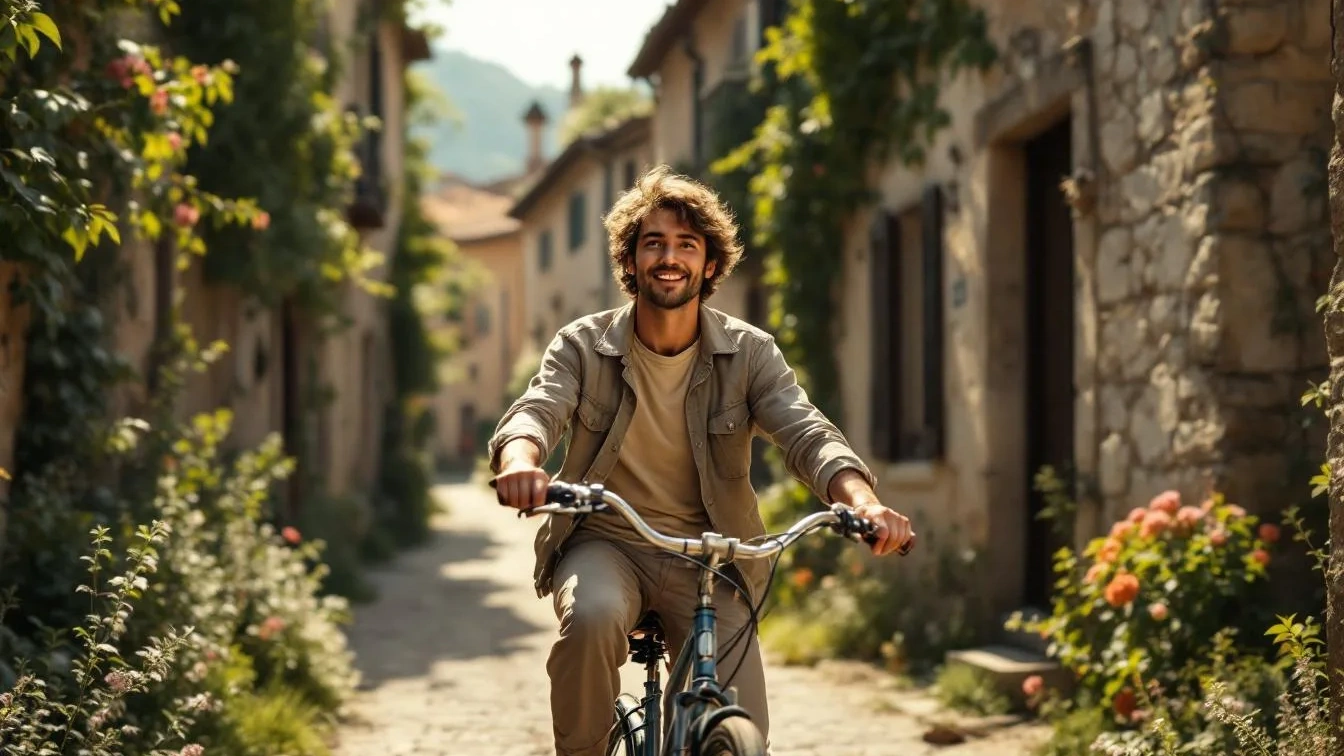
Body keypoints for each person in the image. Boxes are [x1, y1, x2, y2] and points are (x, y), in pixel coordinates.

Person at [488, 165, 915, 756]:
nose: (670, 257)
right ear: (631, 260)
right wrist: (520, 461)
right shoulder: (583, 345)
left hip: (713, 555)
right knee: (591, 618)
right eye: (654, 243)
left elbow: (806, 432)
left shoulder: (750, 352)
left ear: (710, 264)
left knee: (743, 728)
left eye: (686, 245)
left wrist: (863, 503)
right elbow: (539, 409)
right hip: (609, 541)